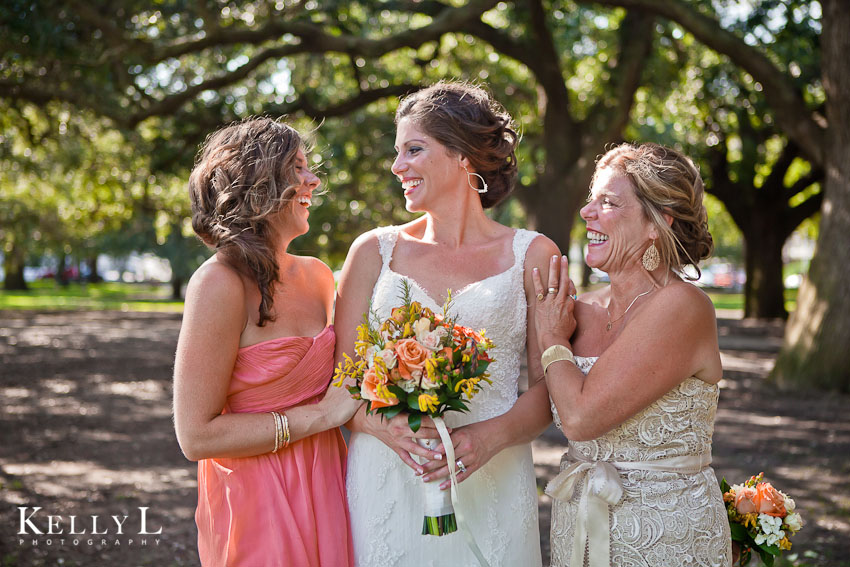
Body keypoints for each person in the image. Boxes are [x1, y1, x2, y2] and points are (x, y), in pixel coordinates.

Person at [334, 81, 558, 566]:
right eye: (397, 152)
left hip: (493, 477)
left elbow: (551, 389)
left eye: (414, 149)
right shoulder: (373, 252)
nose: (398, 167)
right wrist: (389, 430)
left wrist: (490, 438)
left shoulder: (533, 254)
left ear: (463, 156)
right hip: (389, 473)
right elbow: (342, 382)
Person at [533, 142, 733, 566]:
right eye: (590, 200)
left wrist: (552, 338)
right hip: (578, 528)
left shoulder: (684, 307)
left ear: (657, 223)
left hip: (666, 536)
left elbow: (581, 418)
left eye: (607, 202)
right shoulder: (578, 309)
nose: (587, 212)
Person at [173, 117, 358, 567]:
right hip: (256, 493)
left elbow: (349, 385)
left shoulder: (317, 276)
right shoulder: (218, 284)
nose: (314, 179)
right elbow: (195, 435)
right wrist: (316, 418)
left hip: (331, 480)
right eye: (298, 167)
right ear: (258, 183)